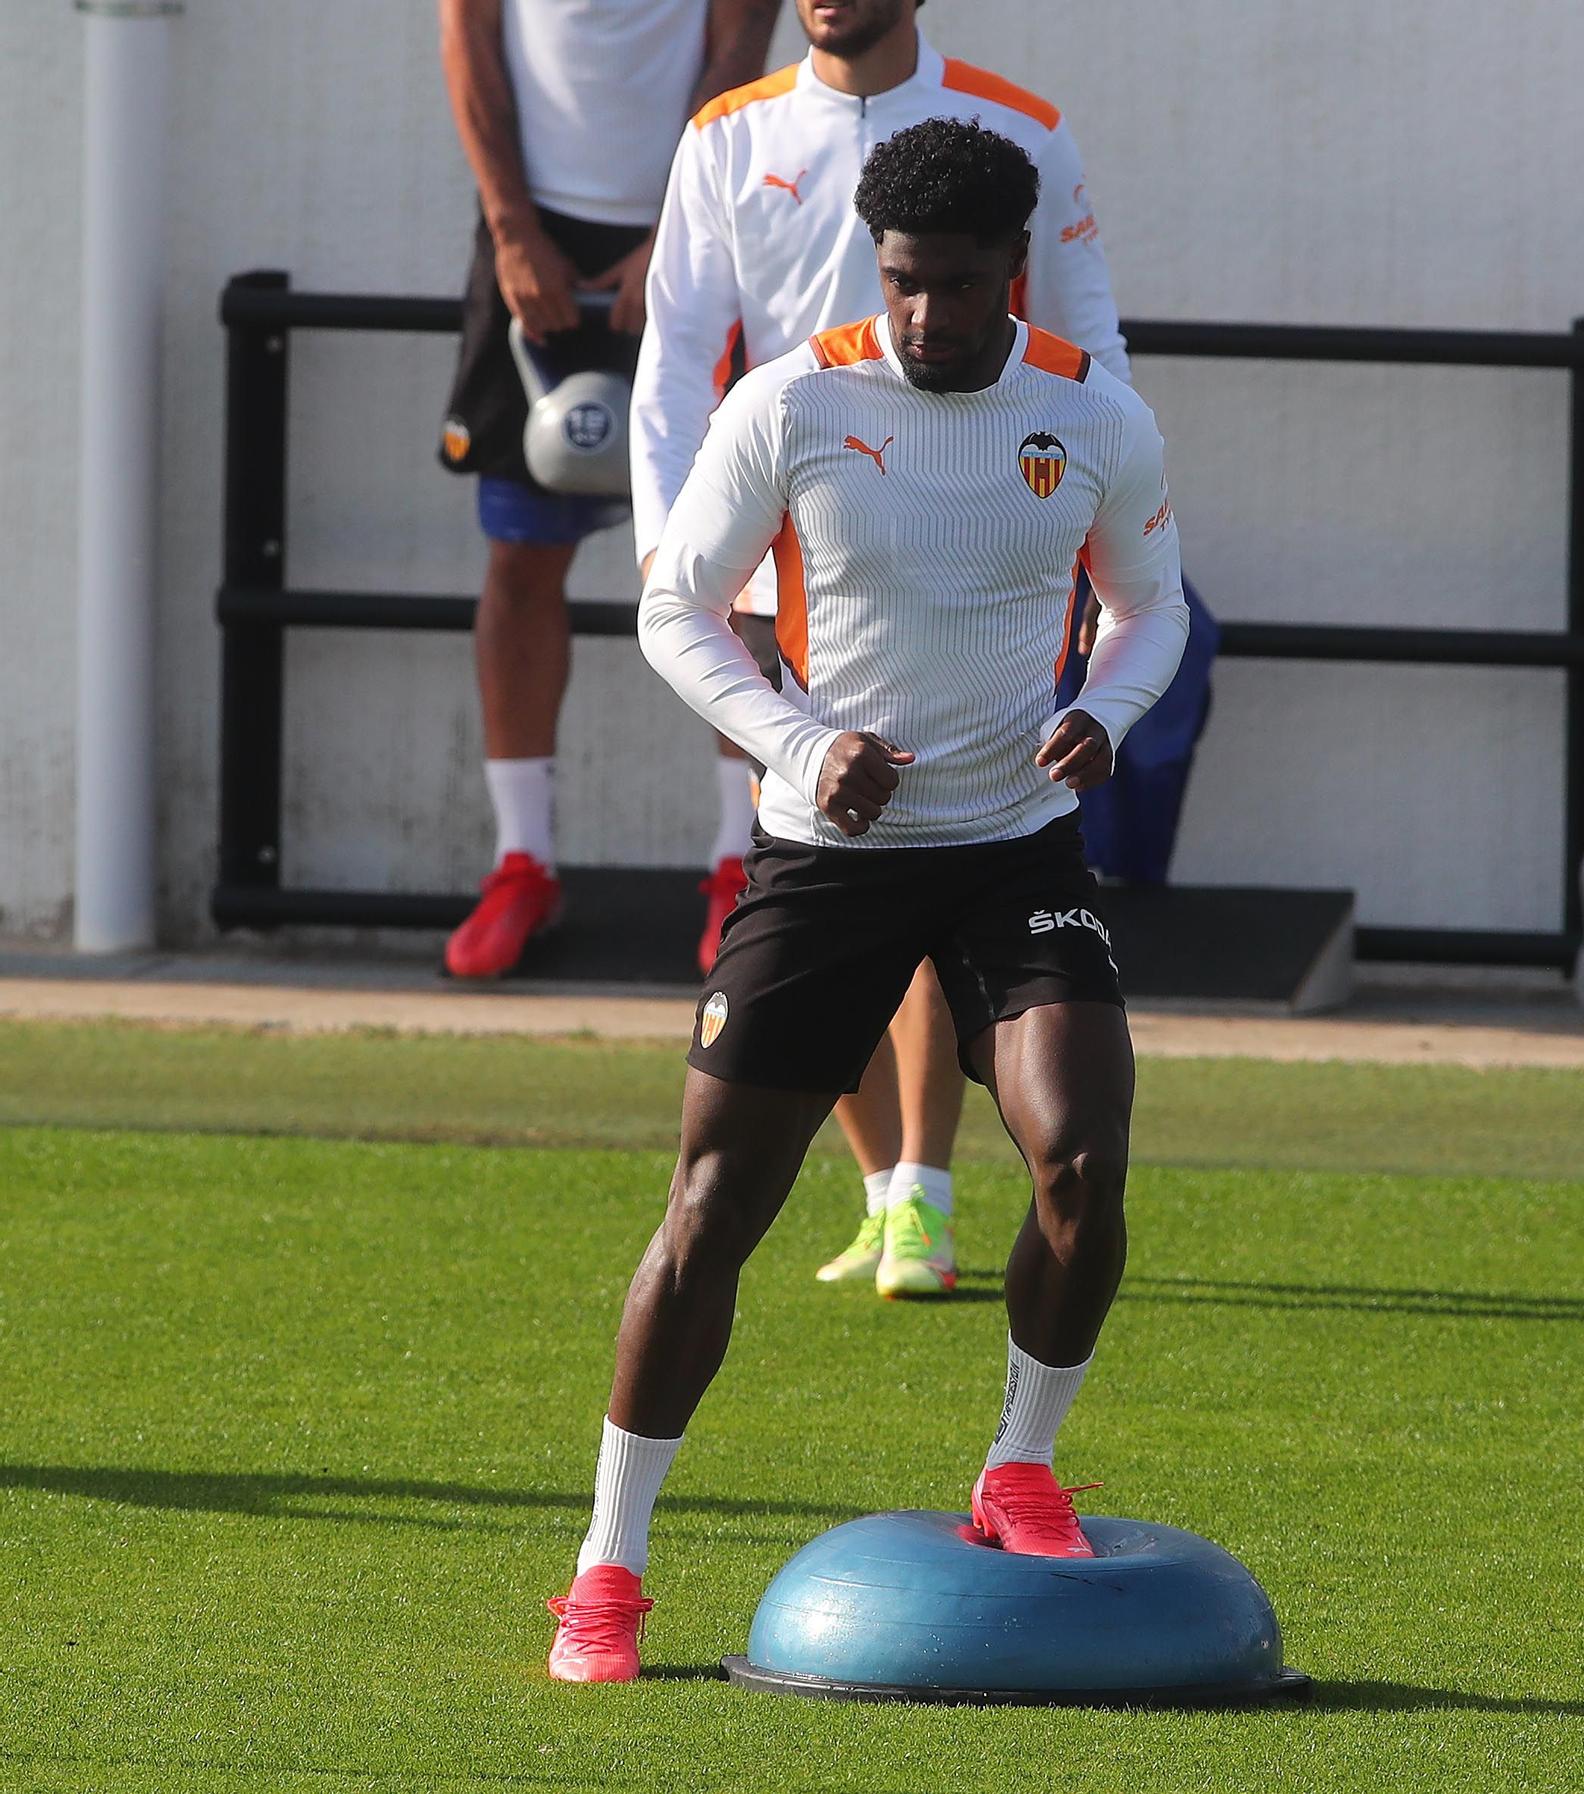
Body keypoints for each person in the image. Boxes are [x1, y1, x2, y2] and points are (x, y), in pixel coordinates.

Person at [543, 119, 1188, 1683]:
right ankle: (608, 1569)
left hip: (1016, 849)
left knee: (1085, 1161)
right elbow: (673, 607)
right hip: (824, 861)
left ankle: (1020, 1464)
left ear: (1011, 277)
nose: (925, 316)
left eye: (957, 286)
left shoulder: (1092, 417)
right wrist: (798, 738)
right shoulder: (793, 401)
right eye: (902, 281)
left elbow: (1148, 605)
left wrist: (1110, 709)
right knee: (713, 1211)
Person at [632, 0, 1135, 1294]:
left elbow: (1096, 354)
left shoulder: (1022, 128)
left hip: (985, 548)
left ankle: (926, 1179)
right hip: (795, 553)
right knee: (830, 837)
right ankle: (884, 1178)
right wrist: (677, 562)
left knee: (953, 830)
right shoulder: (726, 136)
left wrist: (1091, 551)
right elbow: (678, 357)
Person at [434, 0, 779, 980]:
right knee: (519, 554)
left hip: (693, 232)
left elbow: (739, 40)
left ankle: (742, 865)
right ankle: (522, 863)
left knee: (733, 563)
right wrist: (509, 228)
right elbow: (468, 39)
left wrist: (680, 229)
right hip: (534, 236)